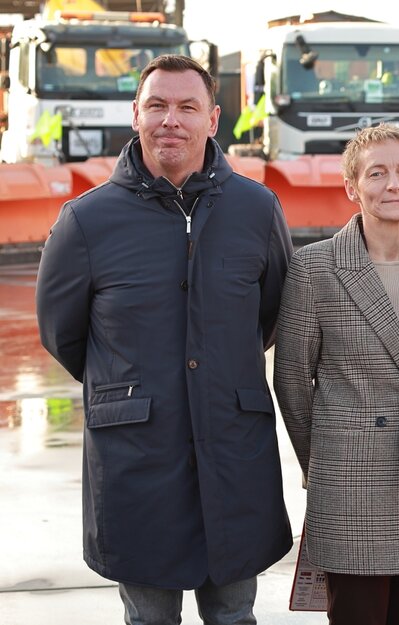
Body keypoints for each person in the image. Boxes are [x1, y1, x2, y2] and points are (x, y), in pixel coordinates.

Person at [36, 54, 293, 624]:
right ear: (136, 115)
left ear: (213, 118)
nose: (170, 120)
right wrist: (132, 385)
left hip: (233, 447)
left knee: (233, 614)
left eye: (186, 107)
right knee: (149, 617)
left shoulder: (258, 209)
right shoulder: (86, 221)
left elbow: (272, 314)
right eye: (156, 106)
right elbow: (63, 333)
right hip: (137, 459)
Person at [274, 124, 399, 625]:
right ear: (352, 187)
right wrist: (326, 460)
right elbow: (291, 380)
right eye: (377, 173)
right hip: (350, 487)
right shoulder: (314, 268)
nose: (394, 184)